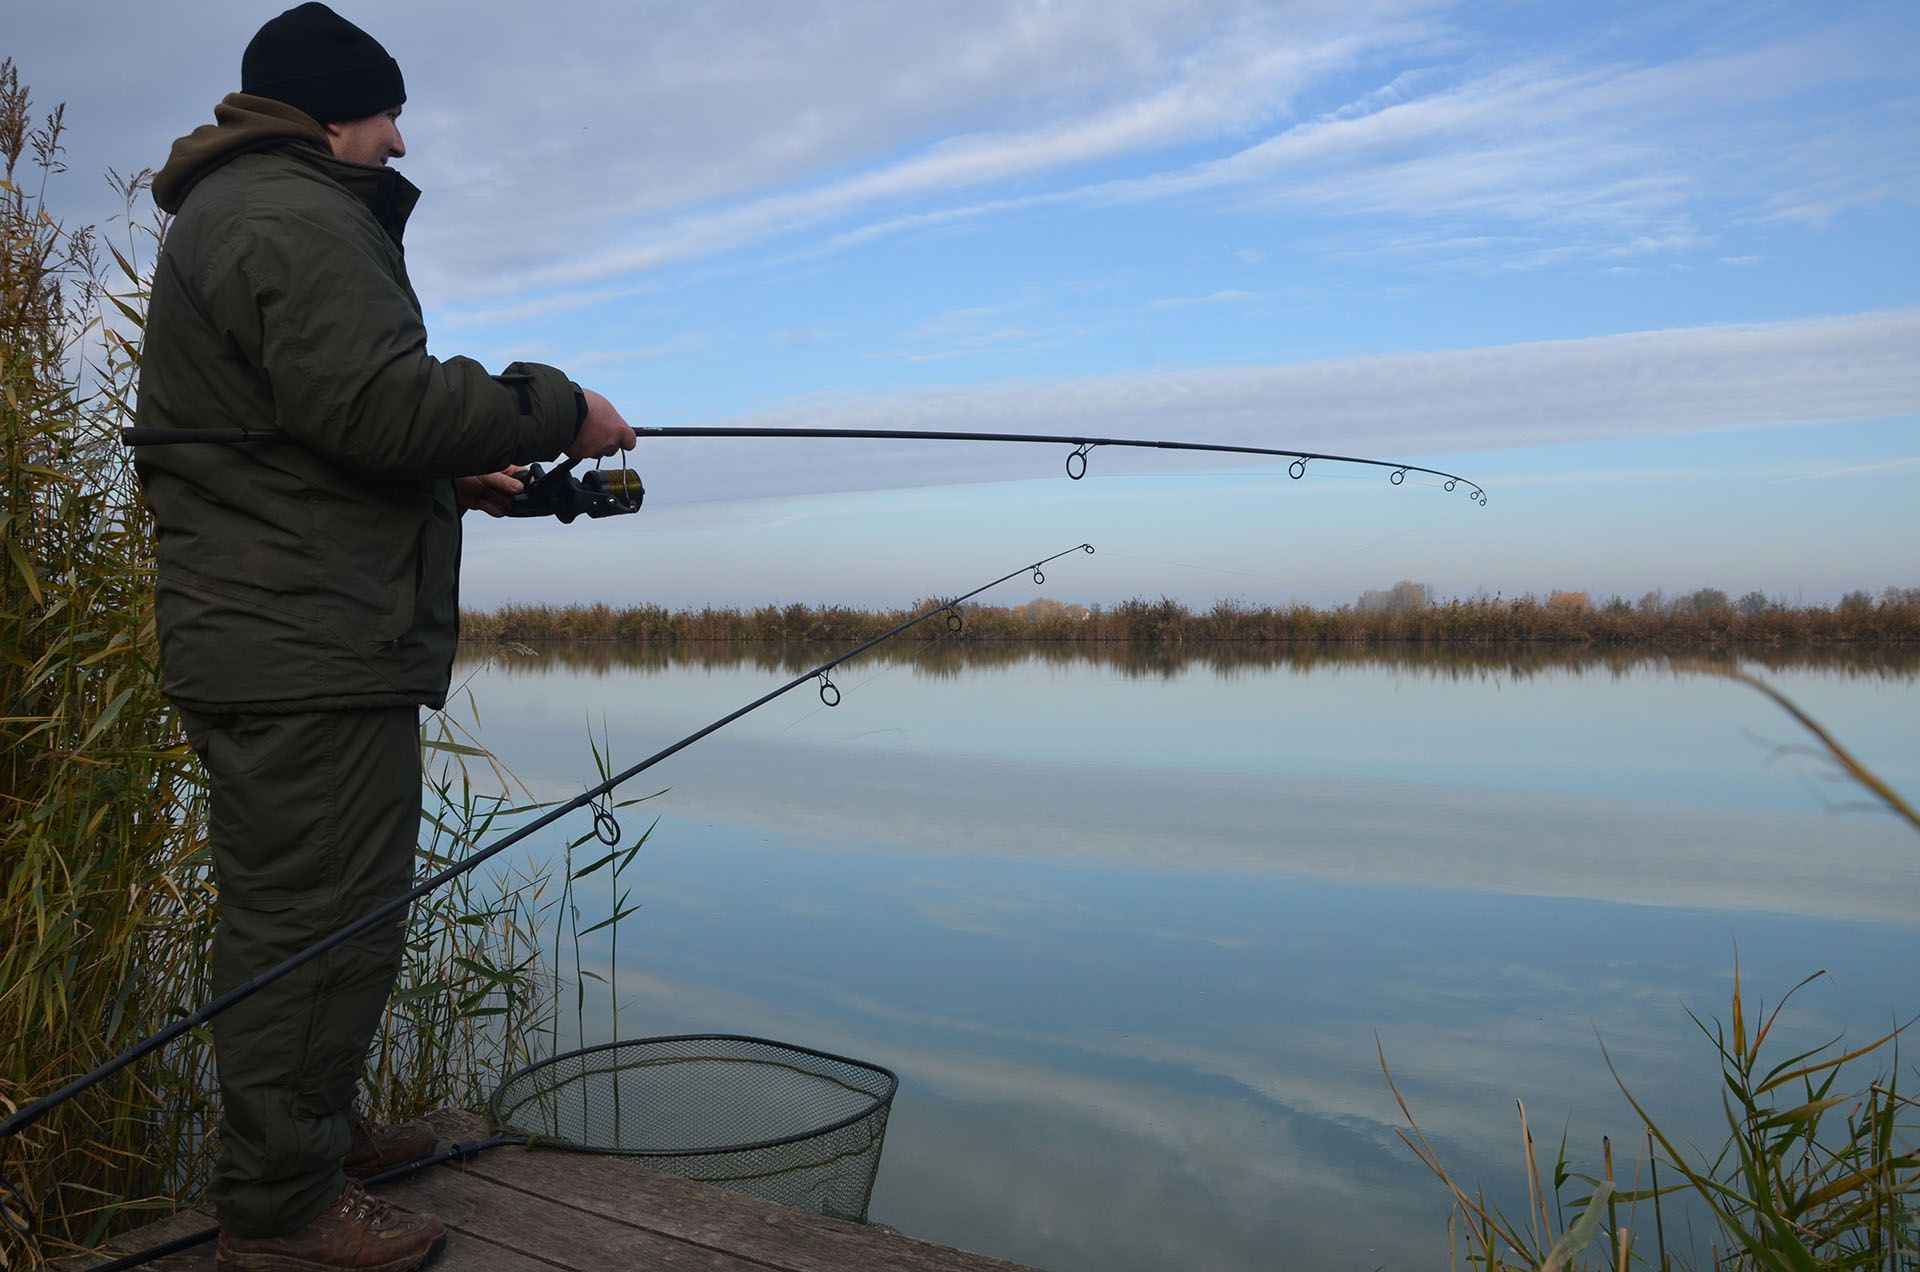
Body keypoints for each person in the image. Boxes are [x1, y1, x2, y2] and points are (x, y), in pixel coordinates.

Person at [133, 5, 635, 1268]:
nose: (400, 137)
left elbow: (304, 430)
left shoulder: (249, 209)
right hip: (302, 642)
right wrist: (555, 406)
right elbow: (372, 401)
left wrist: (447, 482)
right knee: (314, 918)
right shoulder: (290, 212)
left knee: (327, 911)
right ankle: (283, 1214)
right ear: (331, 113)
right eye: (387, 112)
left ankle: (314, 1137)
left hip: (290, 631)